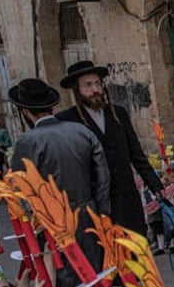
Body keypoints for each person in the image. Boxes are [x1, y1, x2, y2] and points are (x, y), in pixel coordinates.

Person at [9, 78, 111, 287]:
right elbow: (102, 178)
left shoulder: (28, 141)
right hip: (89, 216)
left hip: (55, 224)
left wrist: (33, 225)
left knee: (70, 286)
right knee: (93, 281)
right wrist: (101, 214)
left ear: (25, 112)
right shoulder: (81, 131)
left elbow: (21, 189)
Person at [56, 61, 163, 235]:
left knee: (135, 247)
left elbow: (135, 153)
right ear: (77, 90)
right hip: (95, 199)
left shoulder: (117, 113)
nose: (95, 89)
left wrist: (155, 185)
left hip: (125, 195)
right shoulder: (67, 120)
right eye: (88, 85)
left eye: (98, 83)